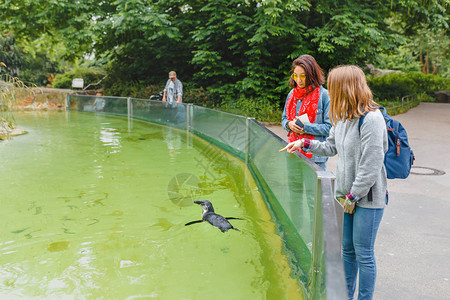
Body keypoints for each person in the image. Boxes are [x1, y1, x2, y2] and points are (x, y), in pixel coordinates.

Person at [280, 65, 388, 300]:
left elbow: (371, 166)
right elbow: (330, 147)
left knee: (364, 254)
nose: (330, 91)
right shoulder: (344, 118)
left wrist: (353, 196)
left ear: (346, 88)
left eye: (334, 86)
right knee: (347, 252)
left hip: (366, 199)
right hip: (346, 197)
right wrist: (303, 144)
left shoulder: (372, 119)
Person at [281, 54, 331, 170]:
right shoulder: (292, 94)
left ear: (311, 75)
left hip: (315, 157)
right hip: (293, 152)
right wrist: (289, 124)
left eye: (303, 76)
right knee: (293, 189)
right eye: (295, 76)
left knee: (313, 189)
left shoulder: (324, 96)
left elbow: (329, 128)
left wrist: (305, 127)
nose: (298, 80)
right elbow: (284, 120)